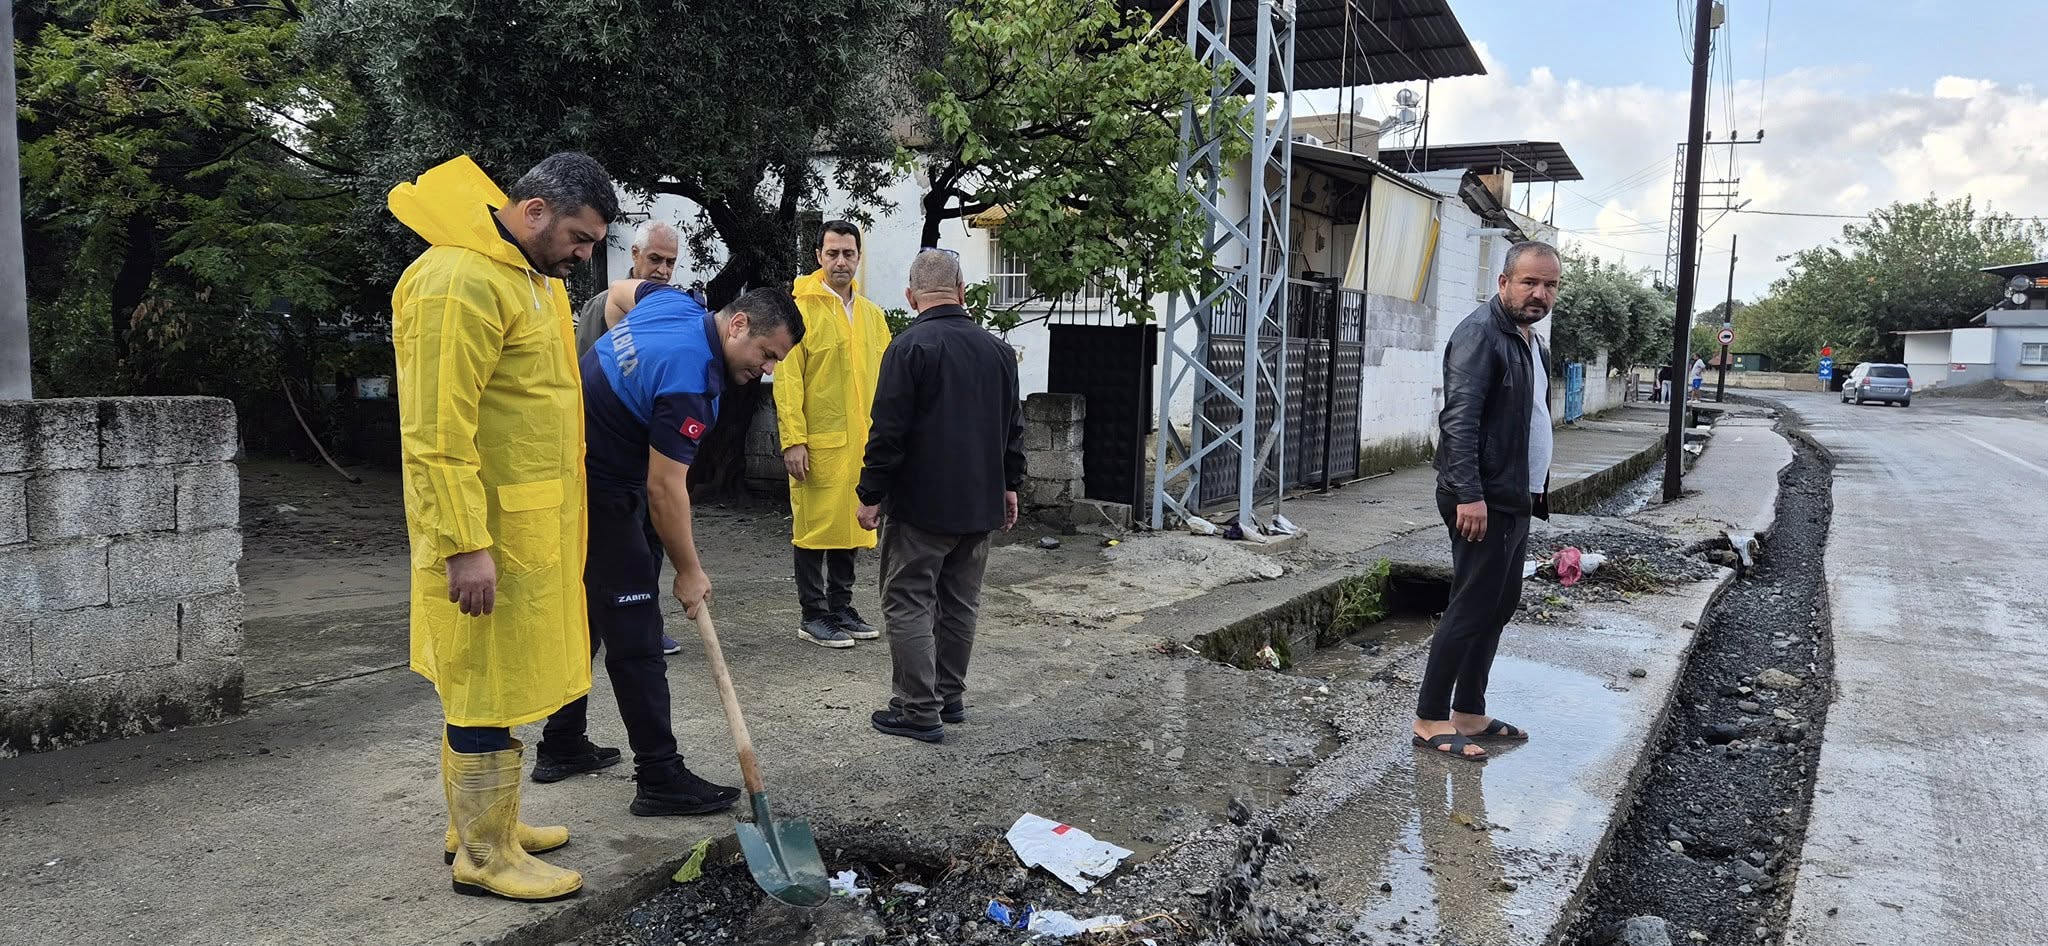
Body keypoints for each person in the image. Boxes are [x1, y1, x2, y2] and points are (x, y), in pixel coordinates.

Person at [388, 152, 618, 901]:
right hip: (486, 539)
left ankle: (485, 824)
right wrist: (464, 545)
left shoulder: (521, 275)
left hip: (523, 532)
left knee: (499, 681)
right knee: (483, 685)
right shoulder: (460, 281)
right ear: (534, 211)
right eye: (580, 237)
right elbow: (435, 432)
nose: (586, 256)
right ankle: (484, 859)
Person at [531, 275, 805, 815]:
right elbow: (665, 489)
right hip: (600, 483)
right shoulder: (691, 383)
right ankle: (659, 777)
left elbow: (617, 295)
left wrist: (616, 370)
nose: (767, 369)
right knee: (637, 629)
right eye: (767, 354)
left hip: (570, 461)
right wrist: (689, 571)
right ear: (739, 324)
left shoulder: (674, 303)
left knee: (590, 611)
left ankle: (561, 743)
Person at [855, 250, 1023, 743]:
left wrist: (871, 493)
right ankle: (948, 698)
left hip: (922, 508)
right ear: (963, 290)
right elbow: (1013, 428)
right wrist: (1010, 484)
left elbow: (887, 431)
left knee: (907, 599)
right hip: (980, 505)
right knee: (959, 603)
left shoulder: (909, 348)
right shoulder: (998, 352)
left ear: (910, 297)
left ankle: (918, 709)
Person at [1413, 240, 1560, 762]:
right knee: (1471, 605)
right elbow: (1460, 421)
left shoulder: (1530, 341)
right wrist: (1470, 495)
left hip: (1514, 496)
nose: (1539, 293)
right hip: (1481, 498)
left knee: (1498, 605)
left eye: (1549, 285)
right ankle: (1430, 717)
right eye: (1529, 282)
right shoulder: (1481, 334)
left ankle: (1469, 711)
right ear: (1504, 282)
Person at [776, 221, 893, 649]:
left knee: (853, 523)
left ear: (859, 257)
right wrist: (793, 439)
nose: (841, 261)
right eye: (832, 253)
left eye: (848, 253)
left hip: (862, 443)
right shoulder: (800, 312)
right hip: (817, 442)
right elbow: (787, 380)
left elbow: (885, 383)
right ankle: (813, 613)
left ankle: (841, 606)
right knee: (813, 527)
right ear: (818, 257)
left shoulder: (873, 317)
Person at [573, 220, 686, 658]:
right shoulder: (603, 306)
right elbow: (584, 375)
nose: (661, 270)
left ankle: (647, 626)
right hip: (608, 458)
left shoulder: (670, 309)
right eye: (654, 259)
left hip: (652, 455)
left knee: (653, 545)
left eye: (670, 262)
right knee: (612, 554)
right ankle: (595, 631)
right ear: (634, 256)